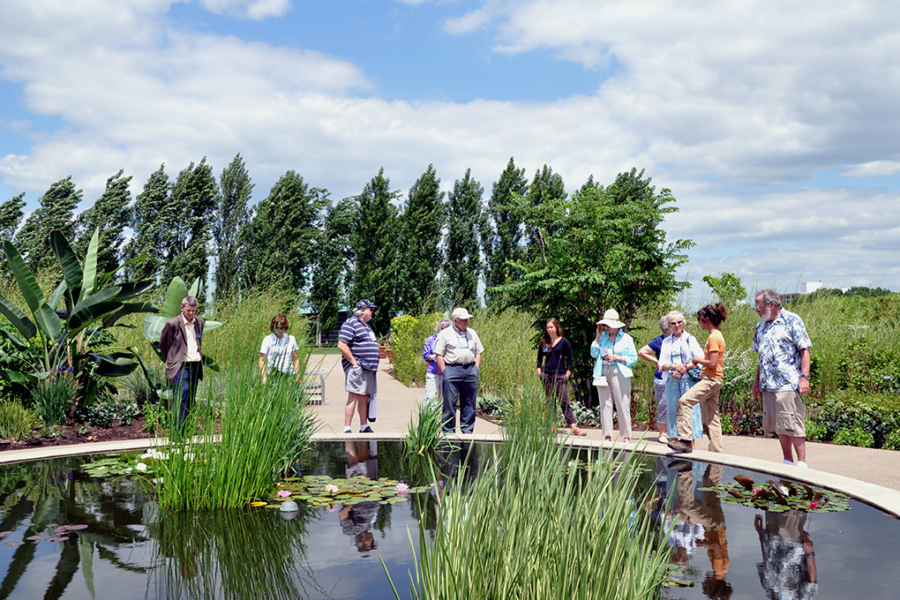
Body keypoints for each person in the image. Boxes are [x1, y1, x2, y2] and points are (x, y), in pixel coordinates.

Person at [752, 289, 812, 467]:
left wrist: (804, 377)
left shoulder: (792, 320)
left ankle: (802, 463)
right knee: (779, 425)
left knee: (793, 422)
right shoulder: (760, 326)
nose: (757, 309)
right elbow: (760, 357)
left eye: (759, 306)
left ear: (771, 304)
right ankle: (787, 461)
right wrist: (757, 381)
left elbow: (805, 350)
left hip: (787, 383)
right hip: (768, 384)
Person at [668, 303, 728, 454]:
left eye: (700, 319)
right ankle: (717, 451)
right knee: (712, 418)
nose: (699, 322)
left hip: (711, 379)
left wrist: (697, 359)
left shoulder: (714, 337)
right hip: (714, 379)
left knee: (684, 401)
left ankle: (686, 441)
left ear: (706, 319)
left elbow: (713, 363)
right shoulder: (716, 335)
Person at [434, 308, 484, 434]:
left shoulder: (472, 333)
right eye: (463, 320)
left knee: (469, 402)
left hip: (470, 370)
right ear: (455, 320)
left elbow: (478, 352)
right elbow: (439, 354)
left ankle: (467, 430)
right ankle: (449, 431)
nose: (466, 322)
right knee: (450, 402)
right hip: (452, 369)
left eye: (467, 319)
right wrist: (445, 371)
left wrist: (476, 368)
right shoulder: (445, 334)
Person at [658, 311, 704, 448]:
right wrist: (673, 367)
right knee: (672, 409)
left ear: (683, 322)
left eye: (679, 322)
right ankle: (673, 441)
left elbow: (700, 359)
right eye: (673, 323)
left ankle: (691, 442)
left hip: (687, 379)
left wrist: (684, 368)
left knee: (690, 410)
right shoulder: (666, 341)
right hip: (672, 380)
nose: (677, 325)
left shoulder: (690, 339)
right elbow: (662, 364)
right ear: (669, 326)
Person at [590, 309, 637, 442]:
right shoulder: (603, 337)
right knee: (605, 404)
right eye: (605, 325)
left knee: (622, 404)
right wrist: (597, 337)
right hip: (602, 372)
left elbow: (634, 359)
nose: (606, 327)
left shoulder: (627, 339)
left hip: (620, 372)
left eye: (608, 325)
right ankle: (607, 435)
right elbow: (594, 354)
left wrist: (618, 357)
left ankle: (626, 436)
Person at [159, 295, 205, 428]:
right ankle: (176, 435)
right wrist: (172, 361)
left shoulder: (200, 322)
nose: (191, 313)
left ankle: (186, 432)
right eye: (188, 310)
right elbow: (164, 345)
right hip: (180, 366)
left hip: (195, 365)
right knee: (181, 398)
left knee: (190, 399)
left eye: (193, 310)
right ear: (182, 308)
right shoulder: (173, 324)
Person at [337, 299, 380, 434]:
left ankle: (363, 426)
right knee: (354, 395)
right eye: (370, 309)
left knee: (364, 396)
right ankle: (347, 428)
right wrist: (354, 363)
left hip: (368, 367)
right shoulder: (351, 323)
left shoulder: (366, 325)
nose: (372, 312)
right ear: (362, 311)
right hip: (358, 366)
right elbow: (342, 344)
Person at [537, 318, 586, 436]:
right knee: (550, 401)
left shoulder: (564, 342)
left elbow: (570, 359)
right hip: (547, 376)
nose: (549, 329)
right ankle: (552, 425)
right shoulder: (544, 342)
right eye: (548, 327)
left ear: (556, 327)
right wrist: (539, 372)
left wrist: (567, 374)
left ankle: (573, 426)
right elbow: (539, 358)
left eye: (551, 327)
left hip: (560, 376)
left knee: (564, 401)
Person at [755, 511, 818, 599]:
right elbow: (811, 582)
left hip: (771, 538)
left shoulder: (770, 594)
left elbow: (766, 560)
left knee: (772, 505)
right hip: (792, 544)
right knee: (790, 509)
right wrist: (810, 554)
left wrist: (760, 534)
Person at [638, 316, 671, 443]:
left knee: (679, 405)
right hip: (662, 377)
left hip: (679, 376)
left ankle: (675, 432)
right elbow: (642, 352)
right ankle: (663, 433)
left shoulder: (682, 339)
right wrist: (656, 361)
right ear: (665, 329)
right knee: (663, 404)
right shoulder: (659, 341)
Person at [258, 313, 301, 386]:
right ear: (273, 327)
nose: (280, 331)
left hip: (289, 374)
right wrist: (263, 376)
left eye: (282, 328)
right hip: (272, 375)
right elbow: (262, 360)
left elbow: (295, 359)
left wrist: (297, 374)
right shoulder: (267, 340)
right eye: (277, 328)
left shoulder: (291, 339)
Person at [423, 318, 451, 407]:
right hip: (433, 371)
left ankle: (442, 419)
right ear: (439, 328)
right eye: (442, 329)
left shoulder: (451, 340)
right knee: (430, 396)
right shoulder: (431, 339)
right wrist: (434, 356)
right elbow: (425, 356)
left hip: (446, 372)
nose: (444, 331)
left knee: (444, 398)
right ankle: (428, 418)